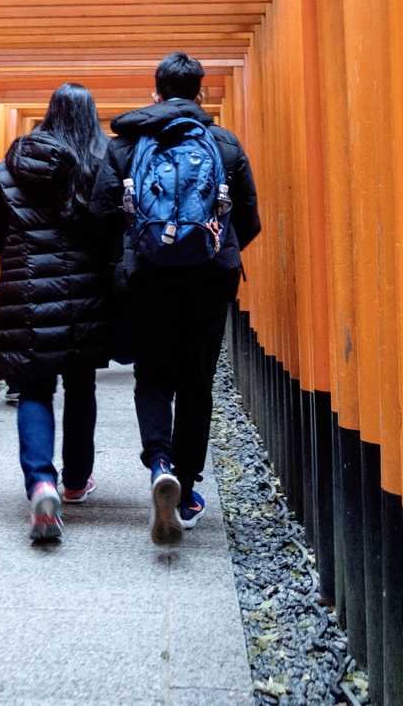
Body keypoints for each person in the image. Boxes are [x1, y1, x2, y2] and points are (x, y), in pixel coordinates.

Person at [90, 52, 260, 544]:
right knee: (197, 382)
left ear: (156, 93)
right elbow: (249, 218)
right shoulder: (224, 145)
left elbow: (103, 215)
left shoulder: (126, 146)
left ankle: (159, 460)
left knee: (153, 376)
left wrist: (129, 258)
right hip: (209, 279)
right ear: (201, 93)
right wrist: (215, 249)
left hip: (146, 278)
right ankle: (185, 489)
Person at [0, 83, 113, 541]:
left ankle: (40, 482)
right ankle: (75, 481)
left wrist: (21, 254)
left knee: (34, 388)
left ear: (49, 114)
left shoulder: (9, 166)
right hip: (86, 293)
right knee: (81, 386)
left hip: (27, 291)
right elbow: (115, 228)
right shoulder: (101, 165)